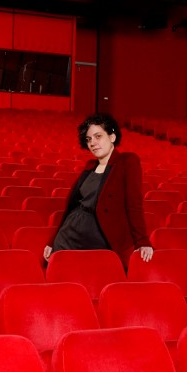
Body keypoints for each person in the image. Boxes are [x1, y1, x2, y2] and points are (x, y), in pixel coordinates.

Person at [44, 113, 153, 267]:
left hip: (100, 236)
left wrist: (142, 241)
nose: (92, 143)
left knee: (97, 276)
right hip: (69, 233)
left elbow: (134, 204)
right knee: (62, 274)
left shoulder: (127, 162)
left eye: (98, 136)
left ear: (112, 137)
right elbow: (71, 207)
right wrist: (52, 241)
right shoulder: (90, 167)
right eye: (89, 139)